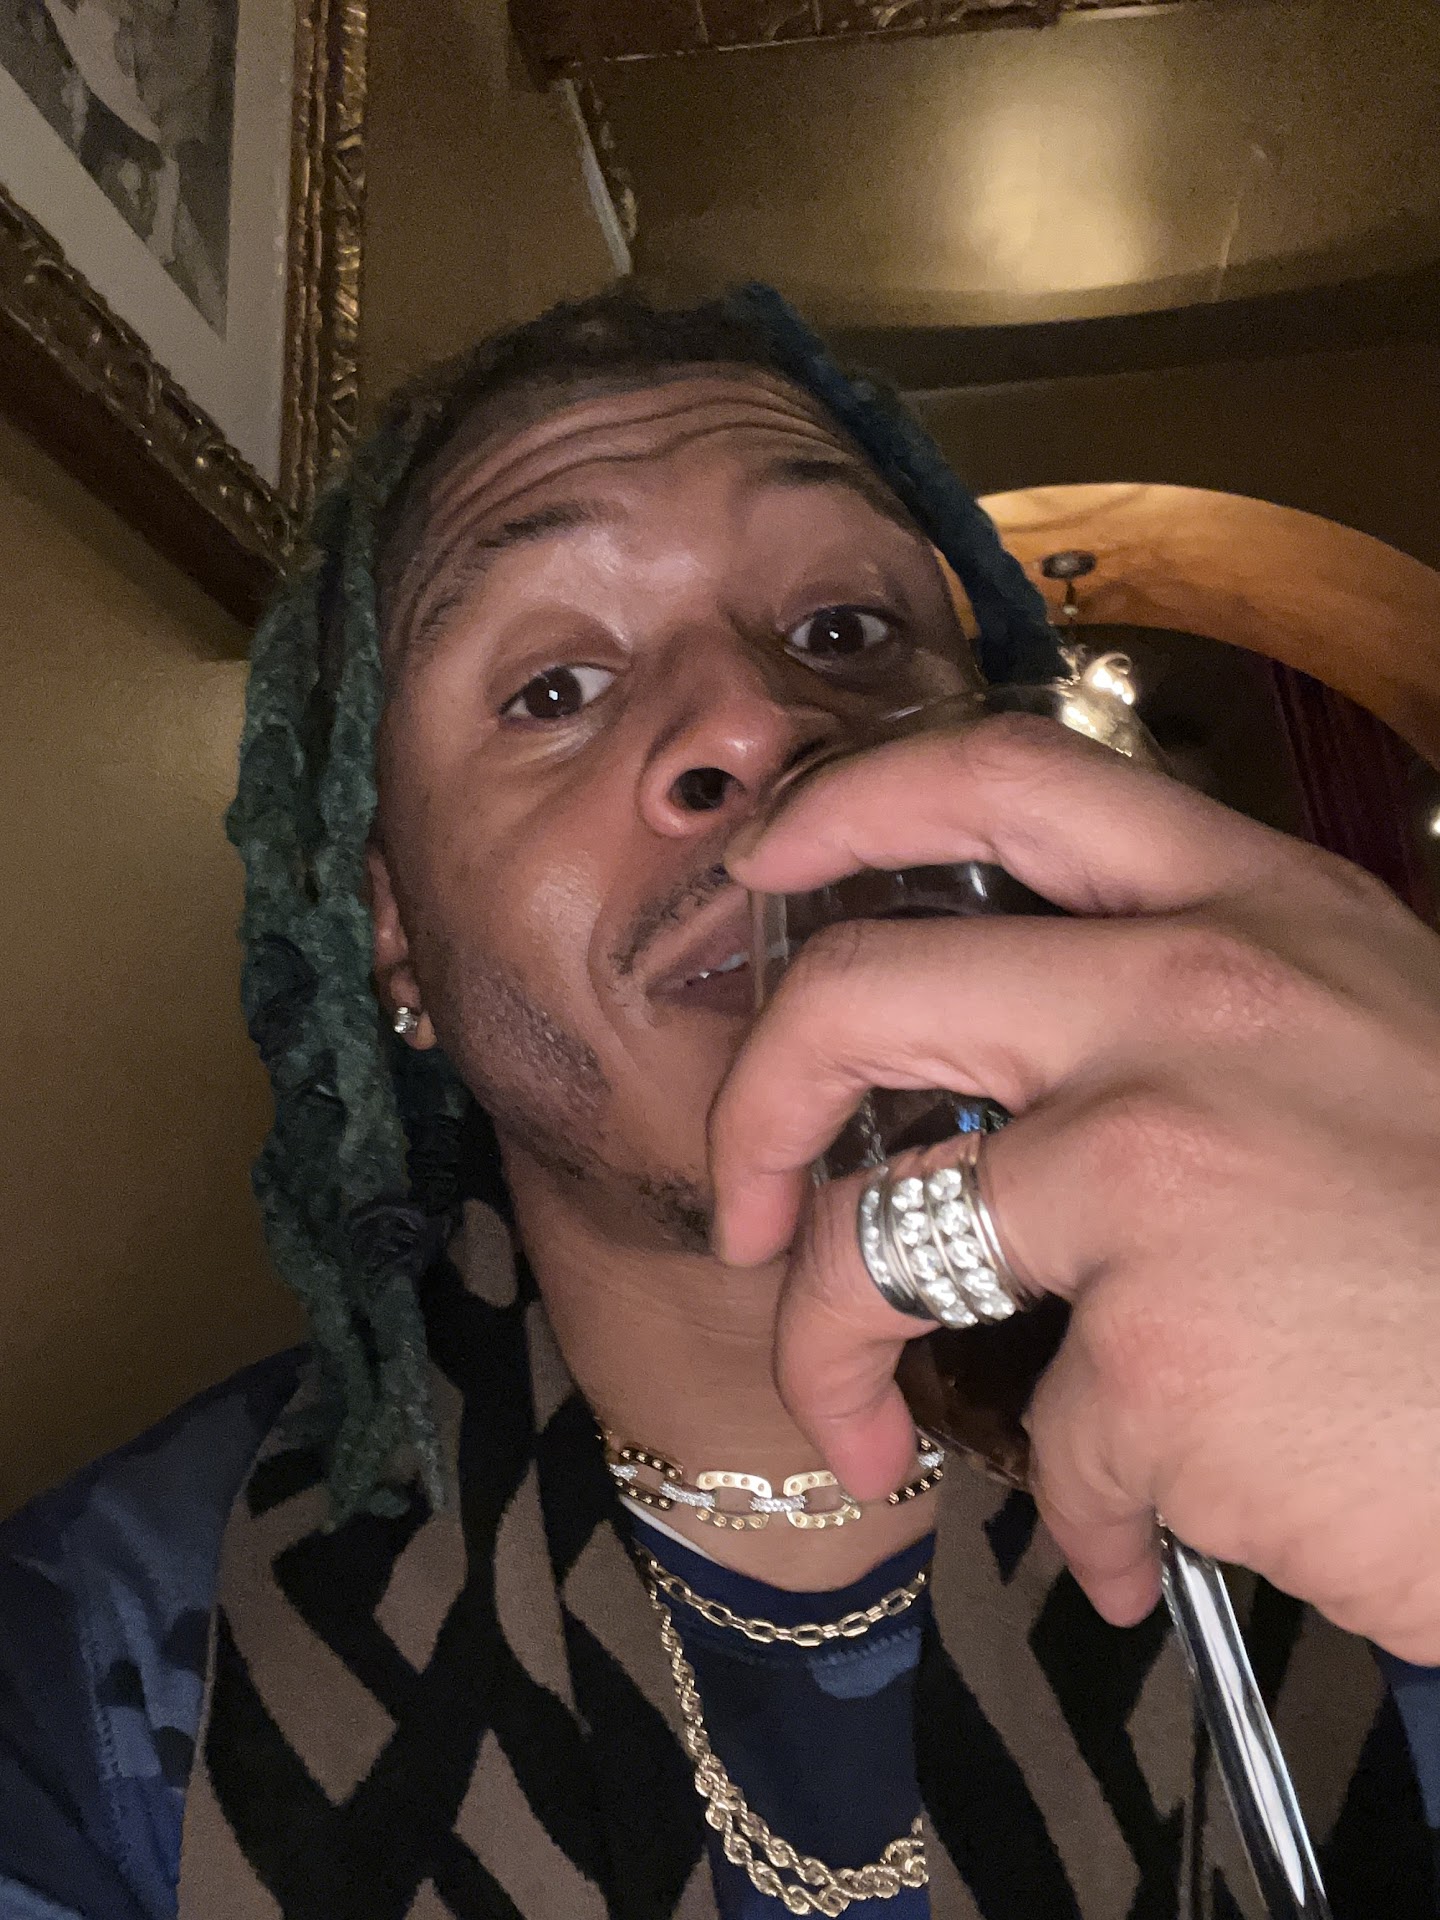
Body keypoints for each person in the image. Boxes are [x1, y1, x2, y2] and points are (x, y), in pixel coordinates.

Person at [0, 285, 1436, 1920]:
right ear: (390, 925)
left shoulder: (1371, 1406)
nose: (761, 724)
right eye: (554, 688)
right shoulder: (89, 1691)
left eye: (847, 633)